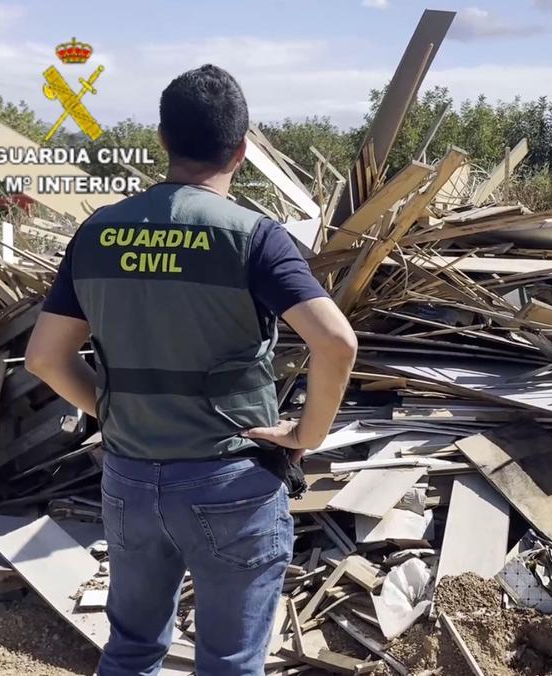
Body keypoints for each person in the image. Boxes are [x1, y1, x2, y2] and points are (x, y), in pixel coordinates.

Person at [25, 64, 358, 675]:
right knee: (229, 662)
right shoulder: (254, 238)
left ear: (162, 141)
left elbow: (44, 357)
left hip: (129, 481)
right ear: (242, 148)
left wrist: (116, 409)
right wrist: (304, 437)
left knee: (130, 651)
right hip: (229, 482)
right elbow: (336, 343)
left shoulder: (96, 233)